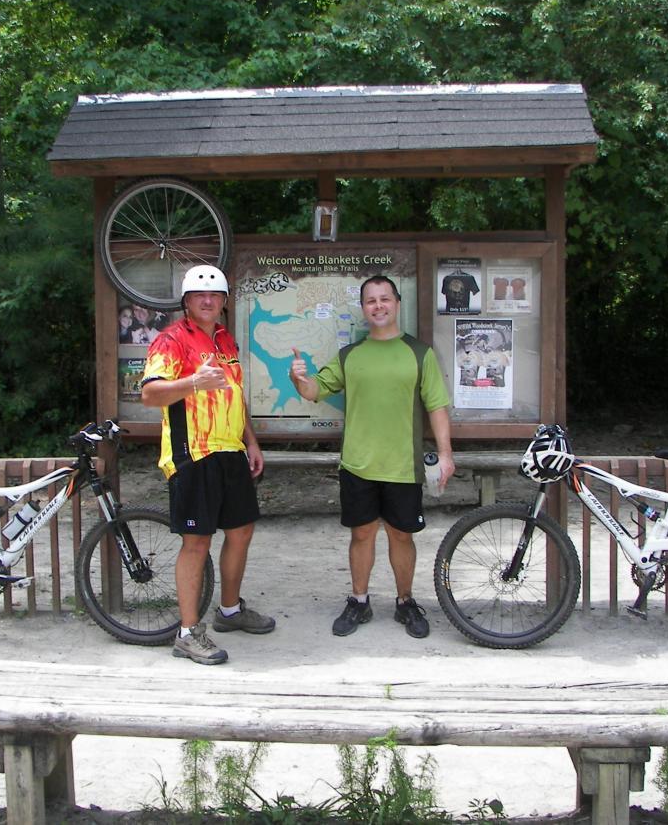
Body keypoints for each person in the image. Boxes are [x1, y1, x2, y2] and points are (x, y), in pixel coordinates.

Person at [289, 274, 455, 638]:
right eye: (370, 301)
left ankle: (405, 602)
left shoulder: (419, 352)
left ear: (396, 304)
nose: (378, 306)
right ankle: (359, 601)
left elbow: (437, 406)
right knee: (361, 534)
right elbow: (315, 390)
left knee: (401, 536)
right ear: (363, 309)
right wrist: (298, 378)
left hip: (402, 465)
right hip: (358, 464)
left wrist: (445, 453)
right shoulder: (351, 355)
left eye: (384, 299)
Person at [139, 264, 274, 664]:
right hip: (193, 453)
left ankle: (229, 612)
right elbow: (150, 395)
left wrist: (251, 441)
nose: (207, 300)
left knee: (241, 531)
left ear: (224, 302)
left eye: (215, 295)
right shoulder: (171, 340)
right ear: (186, 301)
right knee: (196, 542)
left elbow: (234, 394)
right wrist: (193, 383)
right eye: (199, 295)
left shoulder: (225, 340)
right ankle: (186, 632)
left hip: (230, 451)